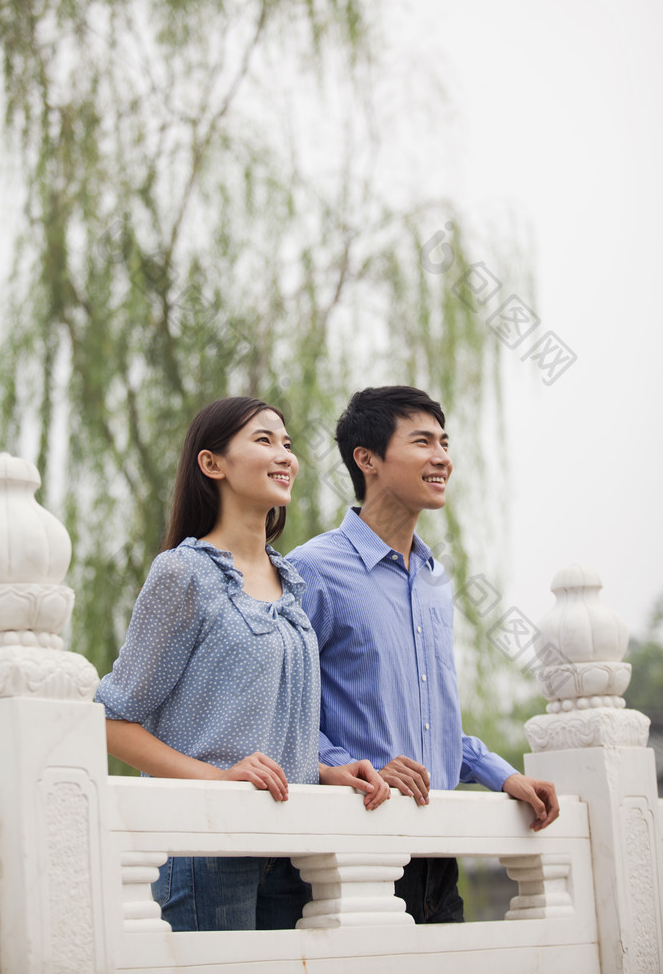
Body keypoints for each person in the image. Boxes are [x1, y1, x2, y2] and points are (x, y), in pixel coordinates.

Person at [95, 396, 389, 933]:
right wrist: (218, 779)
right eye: (263, 440)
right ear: (213, 464)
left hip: (290, 850)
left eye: (288, 444)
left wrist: (325, 771)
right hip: (206, 849)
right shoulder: (184, 574)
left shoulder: (292, 584)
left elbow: (260, 725)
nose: (285, 455)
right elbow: (110, 720)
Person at [287, 385, 559, 923]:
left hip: (439, 851)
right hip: (355, 844)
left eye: (444, 442)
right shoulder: (312, 570)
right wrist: (355, 768)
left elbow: (430, 722)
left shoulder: (434, 580)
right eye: (422, 442)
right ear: (367, 459)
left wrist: (502, 775)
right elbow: (283, 709)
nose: (442, 457)